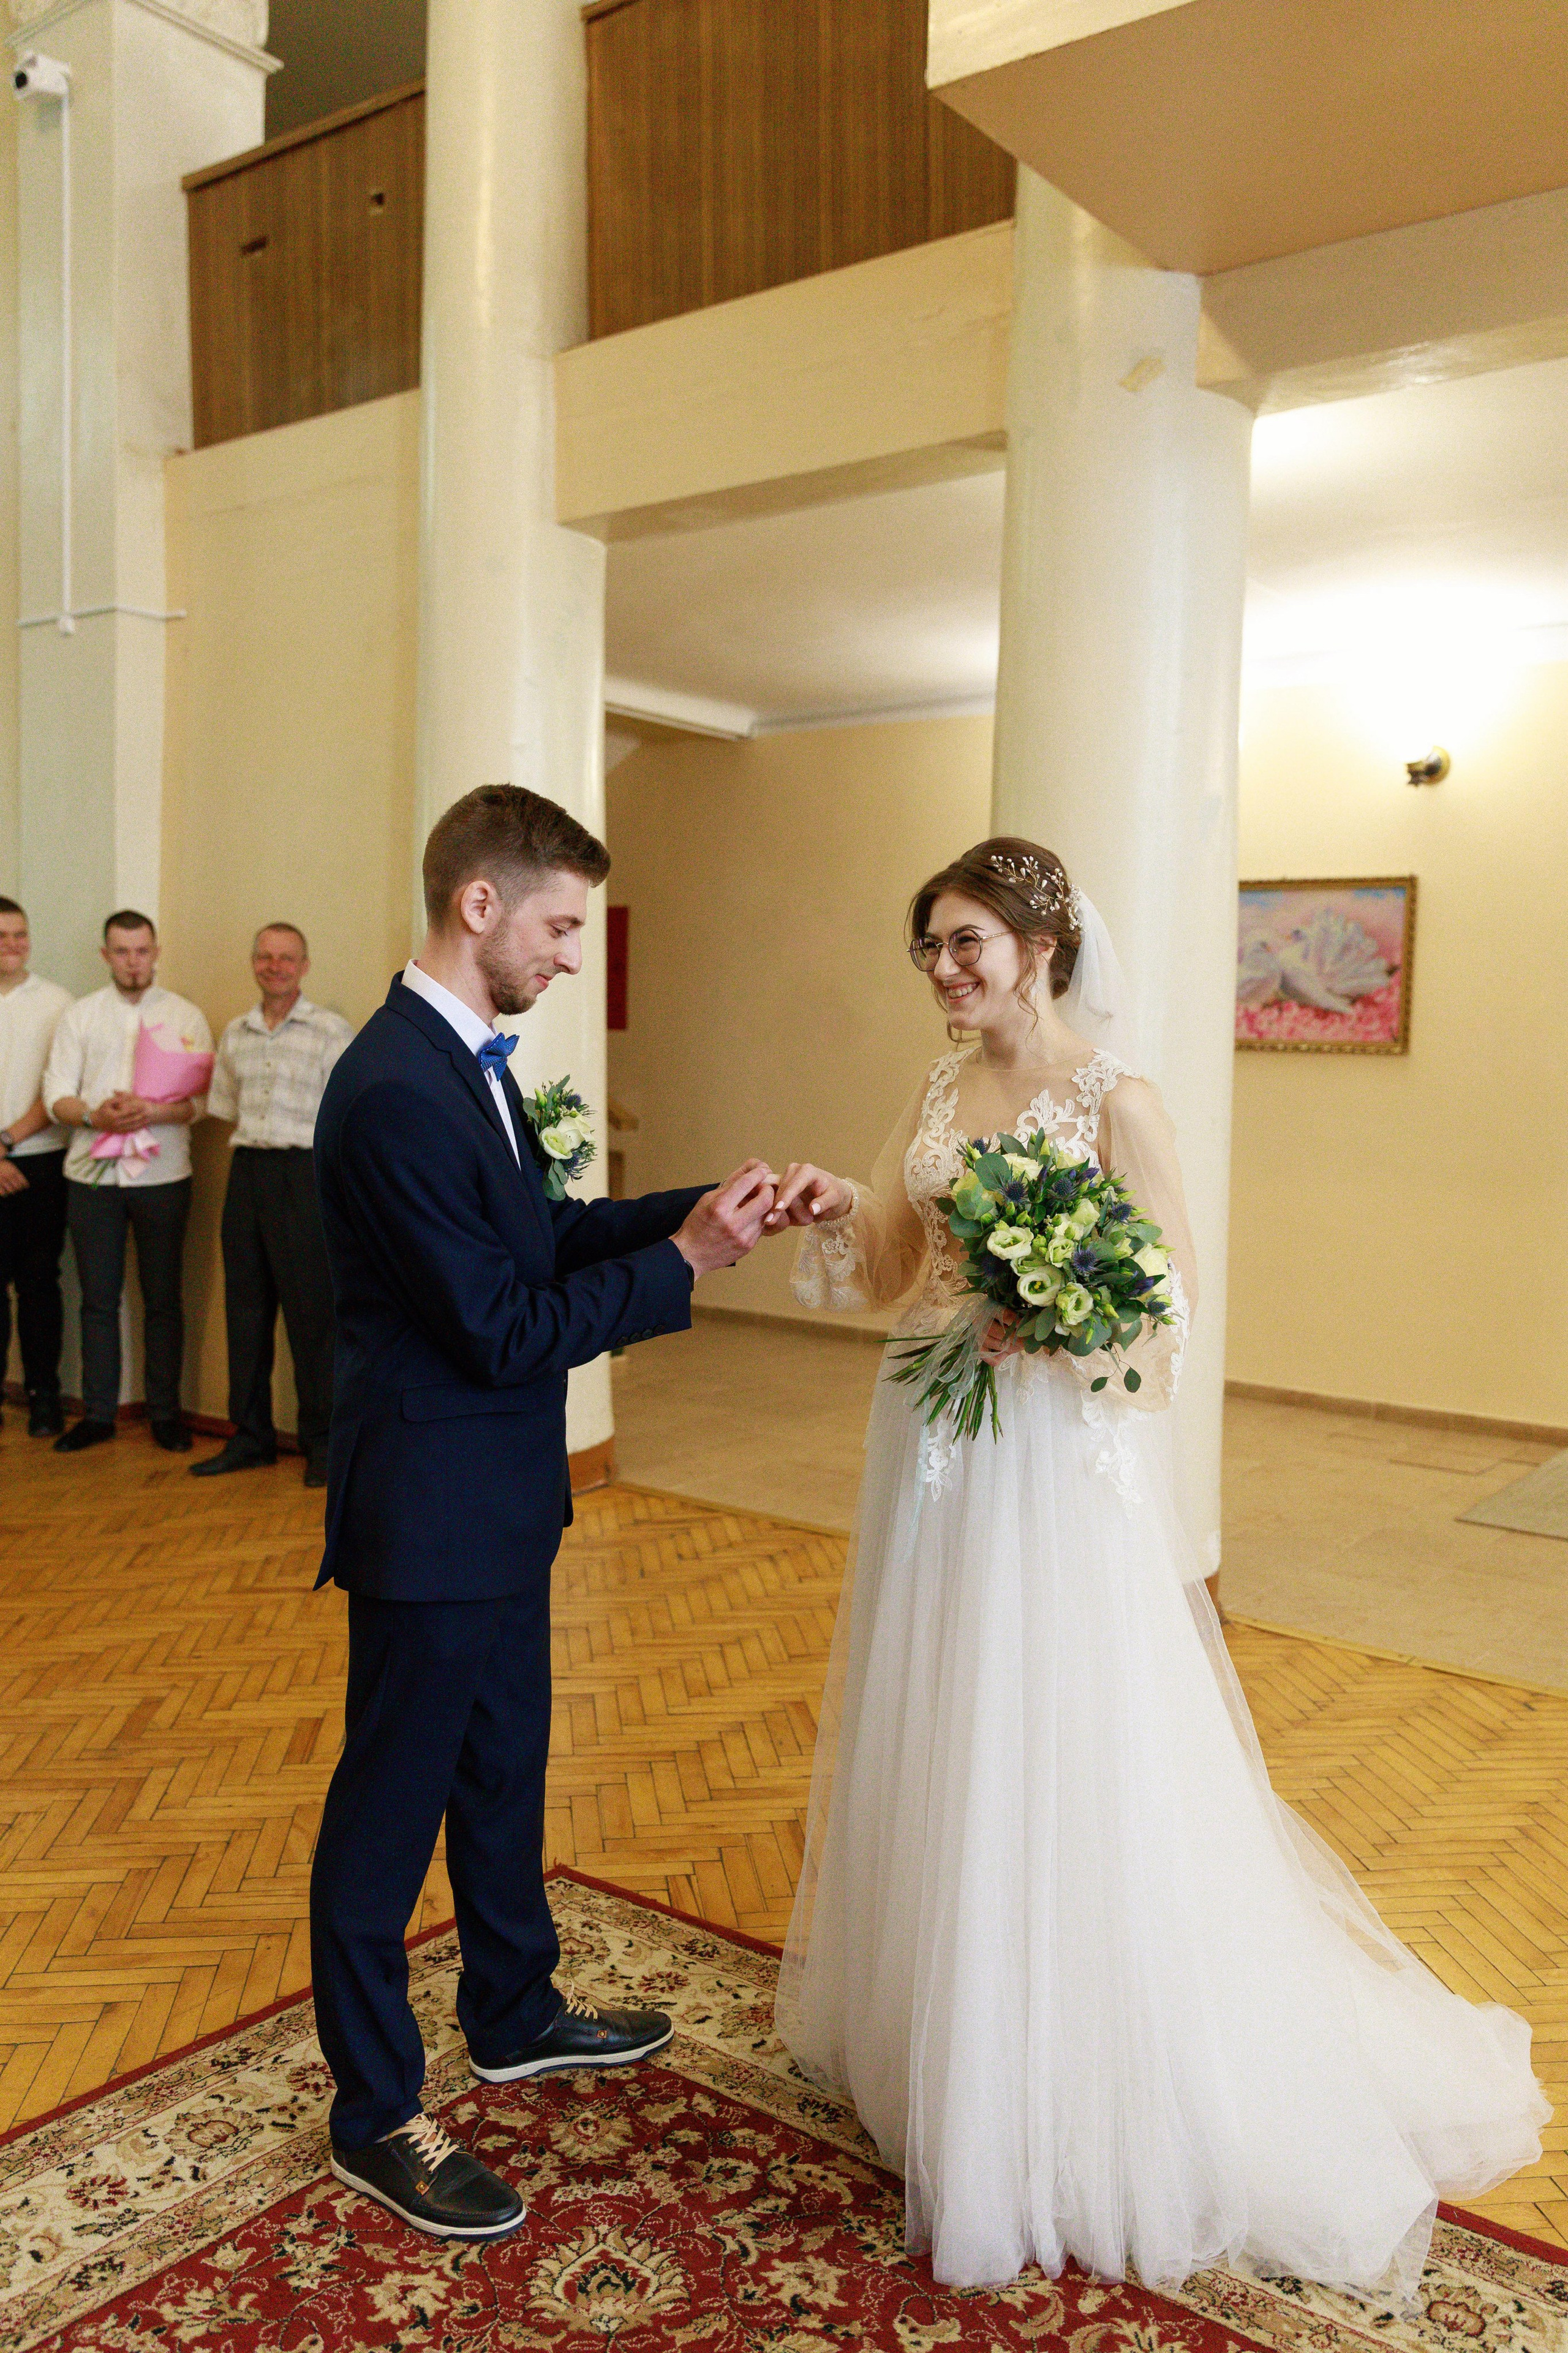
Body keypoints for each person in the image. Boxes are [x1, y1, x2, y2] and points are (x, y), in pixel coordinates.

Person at [764, 837, 1547, 2298]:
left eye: (965, 942)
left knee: (1054, 1728)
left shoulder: (1115, 1097)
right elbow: (888, 1263)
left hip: (1047, 1467)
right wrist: (833, 1206)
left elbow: (1164, 1308)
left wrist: (1050, 1323)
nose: (943, 969)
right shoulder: (933, 1091)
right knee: (933, 1713)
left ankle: (1068, 2068)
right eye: (927, 946)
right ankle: (947, 2028)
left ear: (1040, 945)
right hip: (926, 1444)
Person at [309, 784, 779, 2243]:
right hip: (429, 1510)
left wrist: (711, 1209)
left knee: (504, 1767)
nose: (572, 955)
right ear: (480, 906)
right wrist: (683, 1263)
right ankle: (374, 2106)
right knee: (386, 1815)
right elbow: (505, 1325)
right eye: (562, 925)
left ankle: (511, 2007)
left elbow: (549, 1236)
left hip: (500, 1503)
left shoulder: (469, 1064)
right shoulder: (390, 1085)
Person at [42, 911, 213, 1454]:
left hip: (164, 1174)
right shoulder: (80, 1015)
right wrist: (97, 1115)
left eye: (142, 951)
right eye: (122, 951)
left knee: (163, 1298)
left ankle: (165, 1413)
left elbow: (204, 1102)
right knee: (98, 1300)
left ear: (156, 951)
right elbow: (56, 1097)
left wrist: (152, 1112)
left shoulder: (186, 1014)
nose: (133, 961)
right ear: (105, 955)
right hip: (92, 1175)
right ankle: (98, 1413)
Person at [193, 924, 352, 1489]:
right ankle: (251, 1436)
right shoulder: (236, 1032)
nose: (275, 965)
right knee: (246, 1310)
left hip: (304, 1177)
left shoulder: (331, 1032)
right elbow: (224, 1105)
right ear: (253, 963)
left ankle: (324, 1442)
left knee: (314, 1316)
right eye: (264, 955)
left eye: (286, 958)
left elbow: (348, 1117)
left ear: (304, 966)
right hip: (249, 1174)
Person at [0, 897, 73, 1436]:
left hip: (40, 1163)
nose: (13, 946)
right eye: (2, 937)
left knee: (39, 1284)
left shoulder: (57, 1002)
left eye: (20, 935)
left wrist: (4, 1143)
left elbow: (57, 1091)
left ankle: (44, 1395)